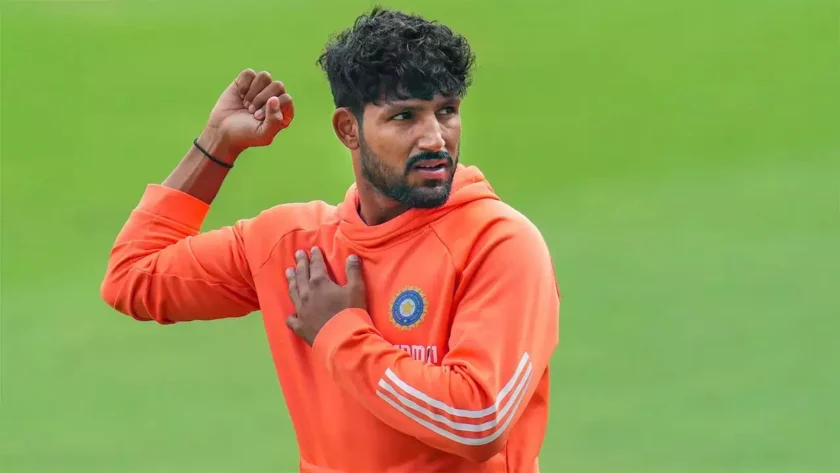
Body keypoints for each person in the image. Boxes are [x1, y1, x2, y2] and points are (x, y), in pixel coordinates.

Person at [100, 6, 561, 473]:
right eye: (405, 116)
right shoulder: (293, 247)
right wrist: (217, 144)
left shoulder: (499, 245)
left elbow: (478, 422)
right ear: (348, 130)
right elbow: (132, 277)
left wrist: (340, 334)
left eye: (446, 112)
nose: (435, 139)